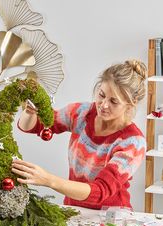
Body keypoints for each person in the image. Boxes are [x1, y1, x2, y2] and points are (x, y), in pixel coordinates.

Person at [12, 60, 147, 209]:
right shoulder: (82, 113)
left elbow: (100, 191)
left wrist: (48, 180)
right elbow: (34, 126)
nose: (104, 105)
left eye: (114, 101)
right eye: (101, 95)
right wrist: (29, 112)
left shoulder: (133, 143)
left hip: (111, 218)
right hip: (74, 210)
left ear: (131, 103)